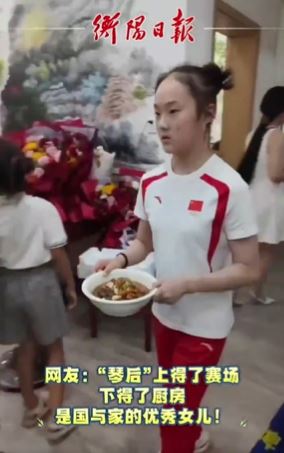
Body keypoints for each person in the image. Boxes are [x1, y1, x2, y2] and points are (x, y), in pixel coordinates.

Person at [95, 62, 260, 453]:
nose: (163, 123)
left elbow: (249, 268)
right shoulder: (152, 180)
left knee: (173, 414)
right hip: (163, 314)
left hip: (204, 325)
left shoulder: (229, 188)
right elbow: (144, 245)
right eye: (157, 113)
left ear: (207, 114)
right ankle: (196, 431)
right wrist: (118, 261)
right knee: (175, 395)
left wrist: (188, 284)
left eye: (174, 111)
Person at [0, 138, 77, 442]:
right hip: (41, 284)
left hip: (7, 285)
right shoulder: (42, 209)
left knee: (24, 347)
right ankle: (56, 419)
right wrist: (70, 286)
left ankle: (31, 406)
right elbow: (59, 254)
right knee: (54, 348)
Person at [238, 87, 284, 305]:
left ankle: (233, 293)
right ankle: (257, 292)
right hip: (270, 201)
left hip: (252, 197)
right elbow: (275, 175)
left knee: (245, 253)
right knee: (265, 253)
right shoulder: (277, 136)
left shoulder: (253, 135)